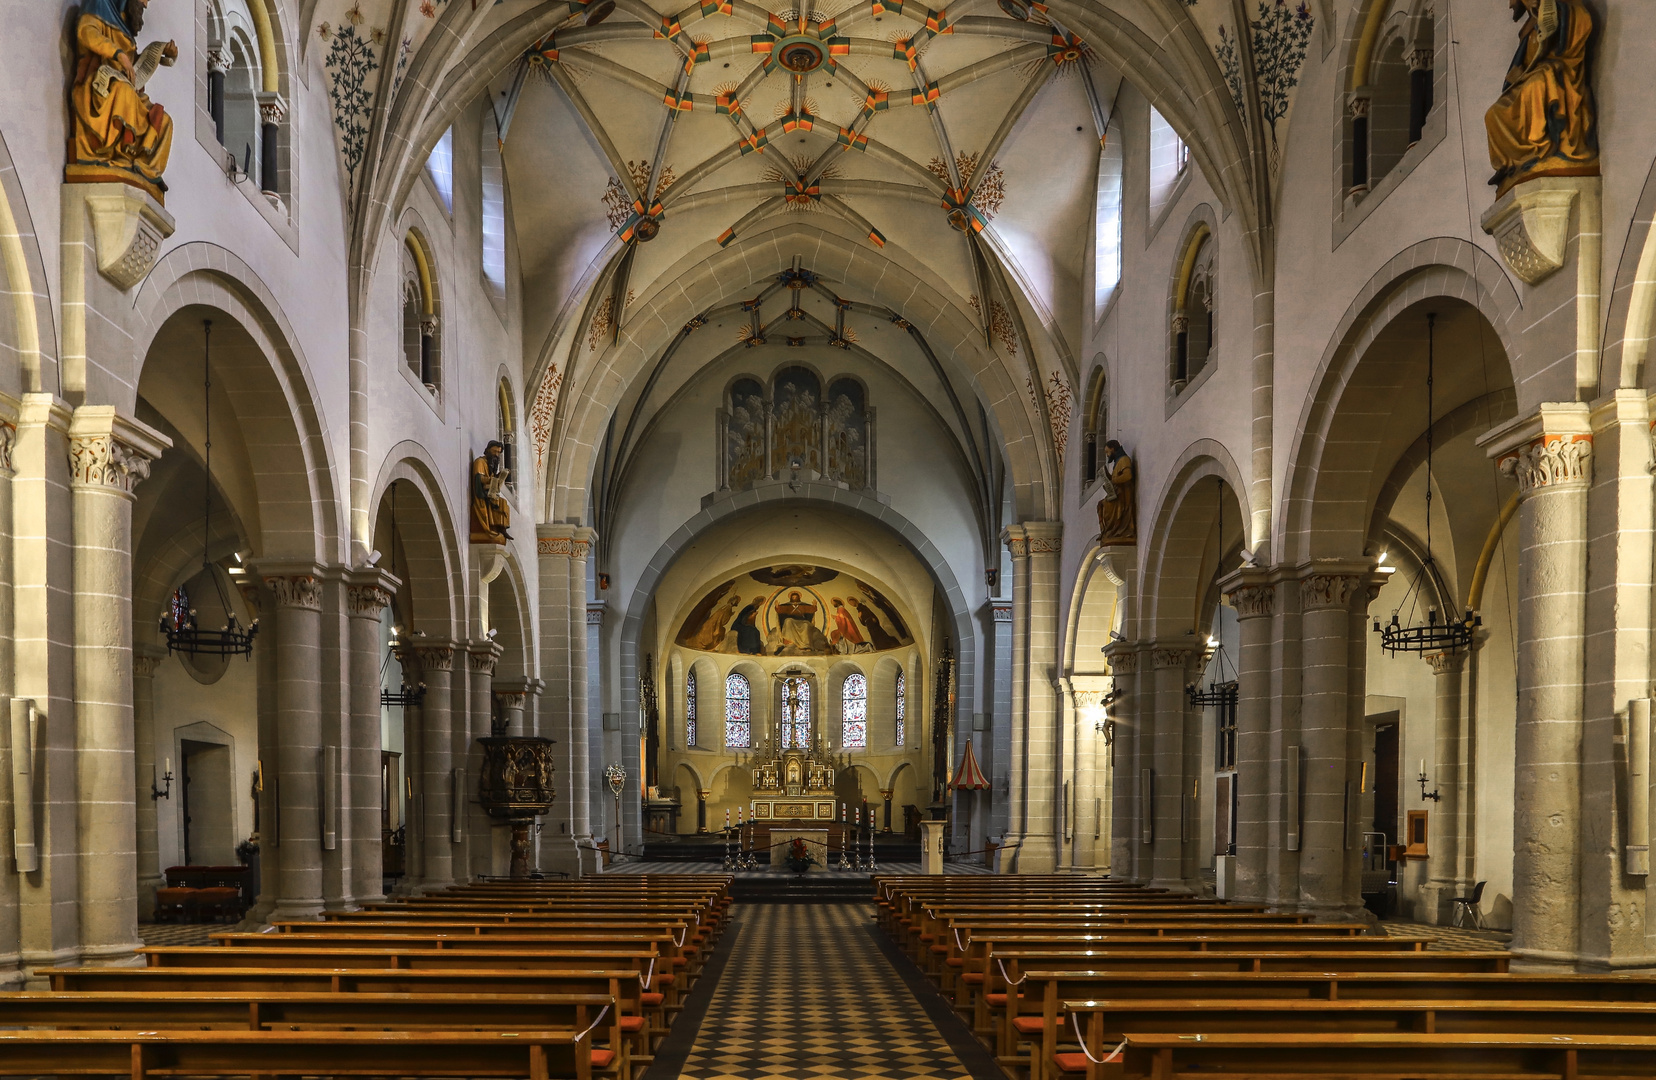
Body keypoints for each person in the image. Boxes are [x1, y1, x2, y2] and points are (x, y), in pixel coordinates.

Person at [1485, 0, 1598, 199]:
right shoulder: (1528, 26)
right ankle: (1512, 163)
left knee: (1535, 87)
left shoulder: (1566, 7)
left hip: (1558, 68)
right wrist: (1516, 75)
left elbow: (1579, 28)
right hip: (1532, 74)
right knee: (1493, 114)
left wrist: (1555, 16)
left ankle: (1540, 148)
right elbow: (1525, 60)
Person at [69, 0, 177, 193]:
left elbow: (132, 66)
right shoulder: (98, 4)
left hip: (123, 88)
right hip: (99, 85)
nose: (145, 4)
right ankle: (119, 154)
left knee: (165, 121)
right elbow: (86, 32)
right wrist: (118, 54)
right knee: (124, 92)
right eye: (142, 0)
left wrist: (161, 55)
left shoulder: (124, 26)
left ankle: (146, 169)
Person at [469, 441, 512, 543]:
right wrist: (491, 480)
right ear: (488, 450)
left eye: (498, 452)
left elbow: (490, 478)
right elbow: (479, 478)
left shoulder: (490, 465)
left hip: (489, 491)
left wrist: (498, 477)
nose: (496, 454)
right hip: (481, 493)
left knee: (503, 503)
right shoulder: (480, 462)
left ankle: (501, 528)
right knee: (499, 502)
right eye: (494, 451)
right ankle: (492, 528)